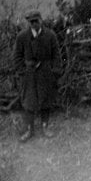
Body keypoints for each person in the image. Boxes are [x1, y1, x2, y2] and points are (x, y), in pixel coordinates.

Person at [14, 9, 61, 142]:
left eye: (36, 21)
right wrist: (22, 71)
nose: (34, 24)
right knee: (28, 101)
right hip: (29, 74)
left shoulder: (50, 35)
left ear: (41, 20)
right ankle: (29, 129)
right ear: (28, 22)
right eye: (31, 22)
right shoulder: (22, 36)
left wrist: (55, 71)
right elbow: (17, 56)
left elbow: (56, 55)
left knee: (46, 100)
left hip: (46, 72)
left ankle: (45, 127)